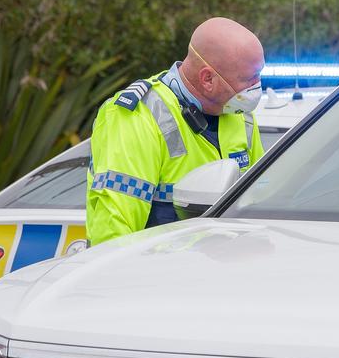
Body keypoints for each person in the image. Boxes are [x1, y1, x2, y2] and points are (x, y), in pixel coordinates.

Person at [86, 17, 265, 246]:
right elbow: (113, 230)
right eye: (249, 78)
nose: (256, 85)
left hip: (220, 272)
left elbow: (258, 205)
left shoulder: (240, 115)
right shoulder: (136, 116)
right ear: (208, 78)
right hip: (157, 274)